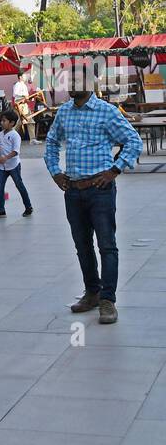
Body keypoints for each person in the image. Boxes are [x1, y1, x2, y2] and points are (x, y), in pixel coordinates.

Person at [44, 80, 143, 324]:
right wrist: (55, 171)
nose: (73, 85)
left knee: (107, 245)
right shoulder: (64, 112)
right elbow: (51, 142)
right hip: (74, 192)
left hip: (100, 191)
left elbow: (133, 141)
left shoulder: (107, 112)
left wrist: (115, 169)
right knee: (82, 245)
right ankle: (92, 292)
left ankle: (108, 301)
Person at [0, 109, 33, 219]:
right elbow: (1, 149)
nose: (2, 123)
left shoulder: (15, 135)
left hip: (13, 165)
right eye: (2, 121)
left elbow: (16, 151)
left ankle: (28, 207)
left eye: (4, 121)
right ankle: (1, 210)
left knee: (19, 185)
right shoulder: (0, 134)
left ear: (12, 123)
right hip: (1, 166)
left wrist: (6, 157)